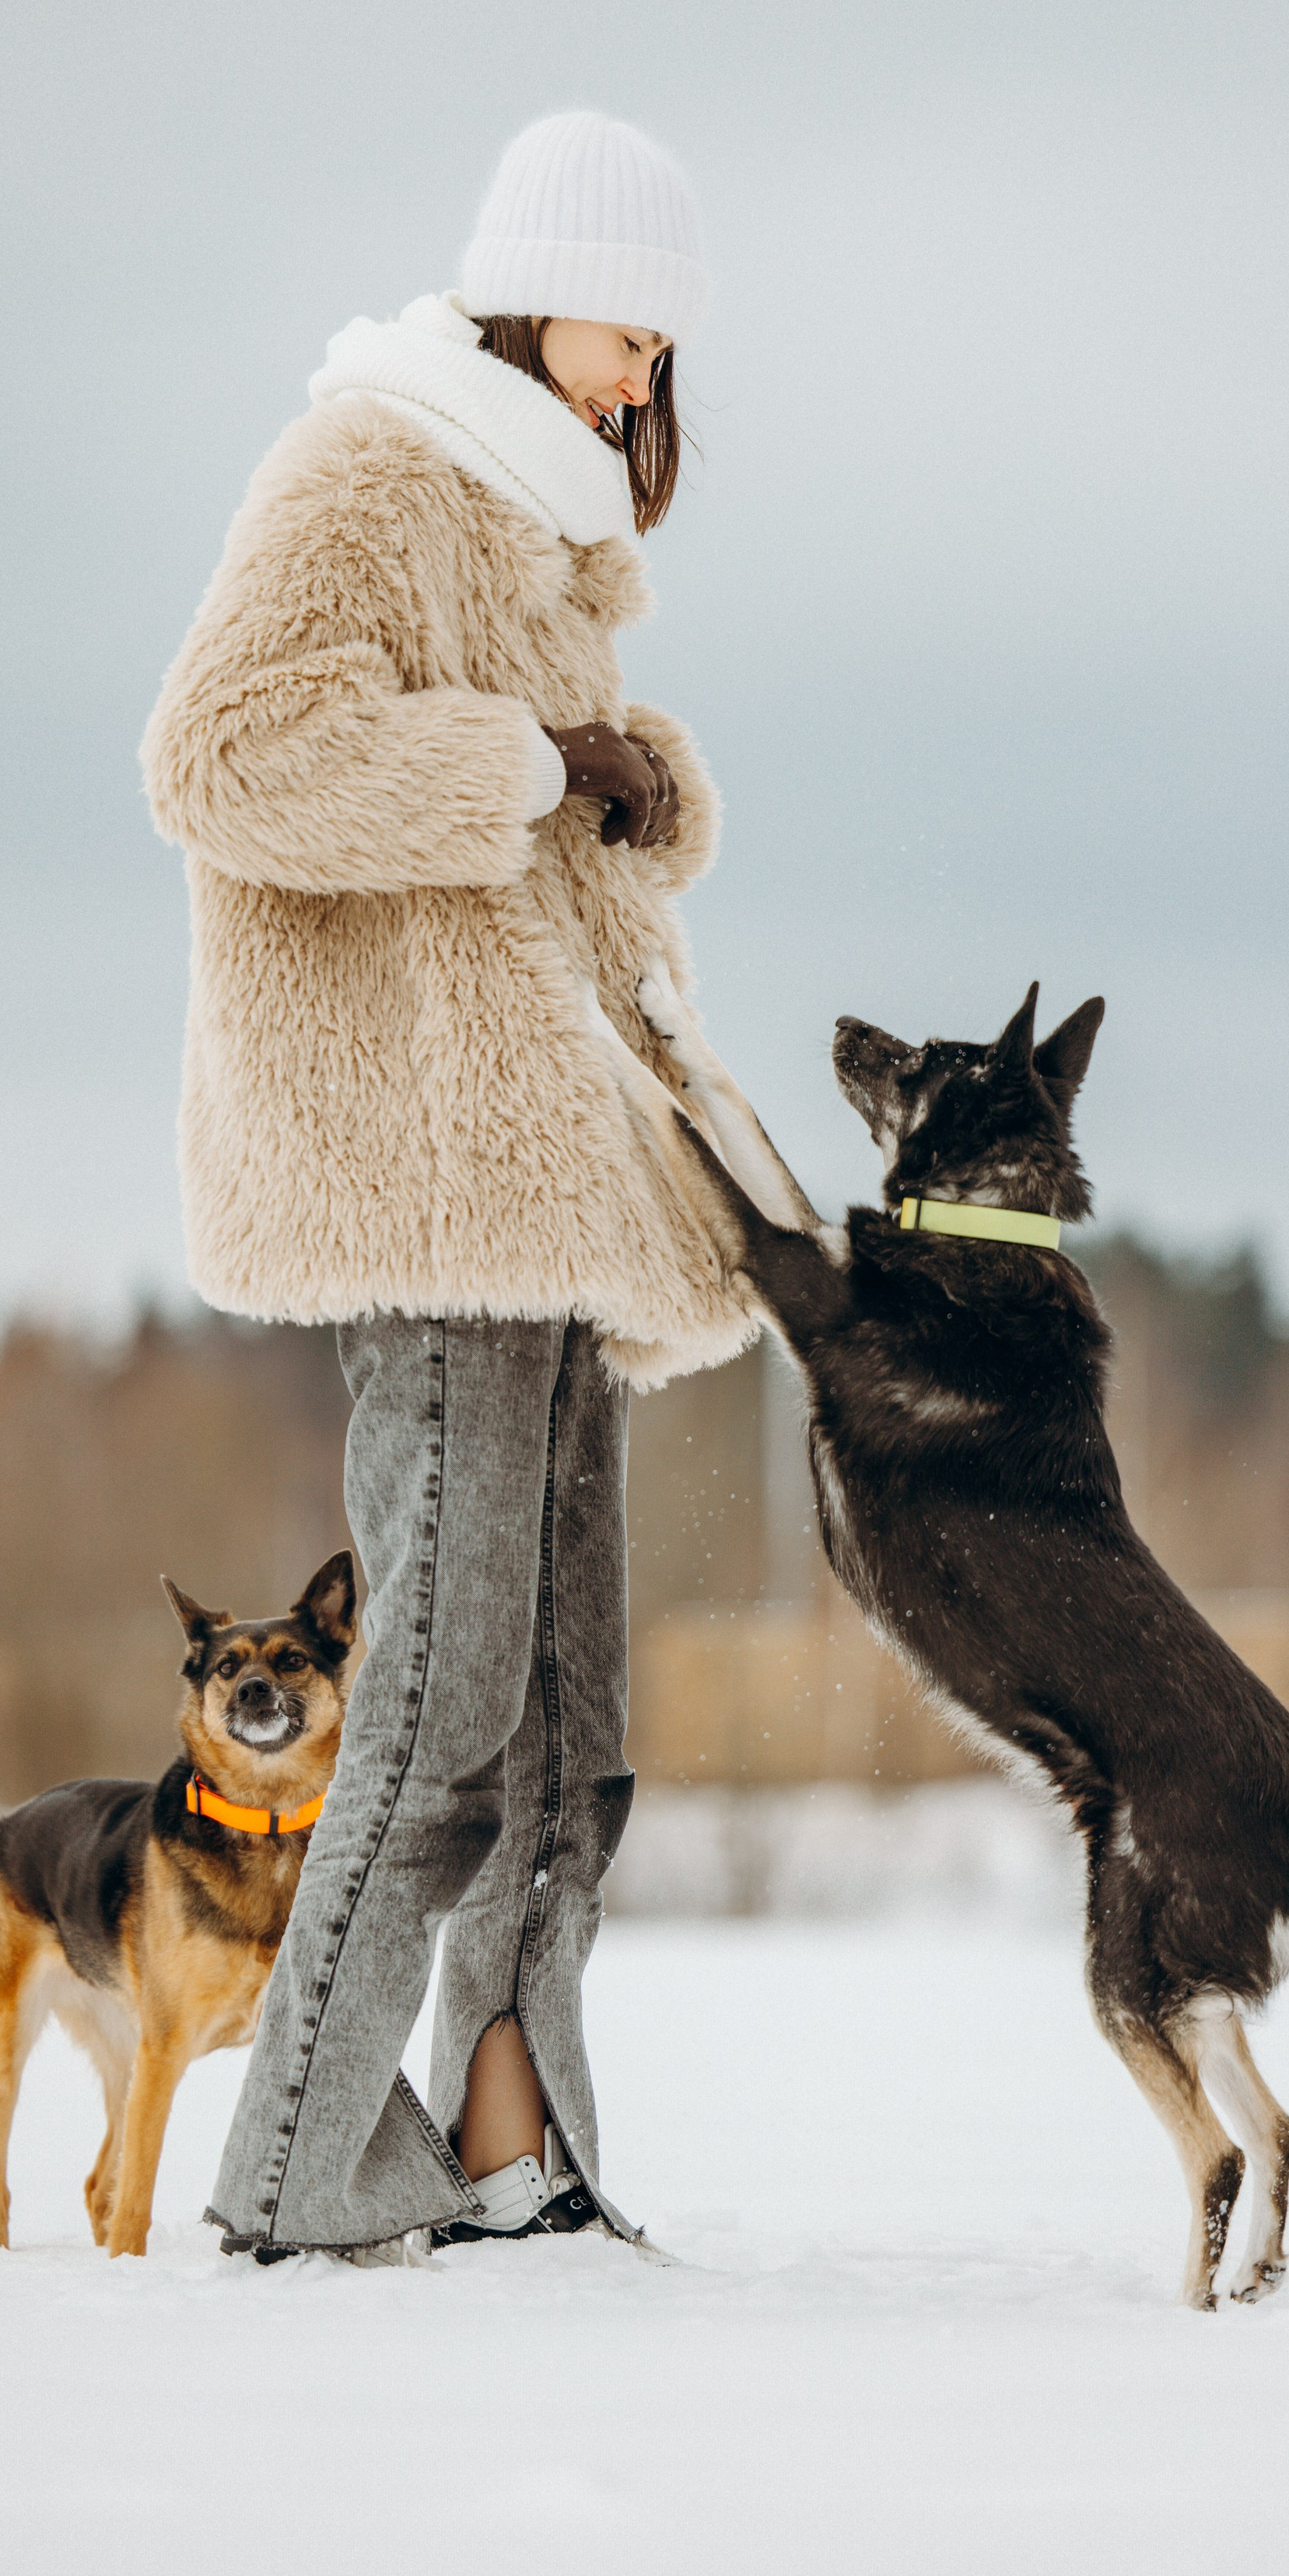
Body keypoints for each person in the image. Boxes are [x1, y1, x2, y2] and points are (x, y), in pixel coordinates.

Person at [141, 111, 752, 2260]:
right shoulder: (366, 470)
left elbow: (538, 867)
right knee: (444, 1708)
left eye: (671, 349)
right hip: (423, 1180)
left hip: (552, 1186)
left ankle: (510, 2138)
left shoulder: (538, 529)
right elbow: (220, 758)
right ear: (525, 287)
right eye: (621, 328)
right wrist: (523, 763)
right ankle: (293, 2175)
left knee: (572, 1734)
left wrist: (618, 787)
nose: (644, 381)